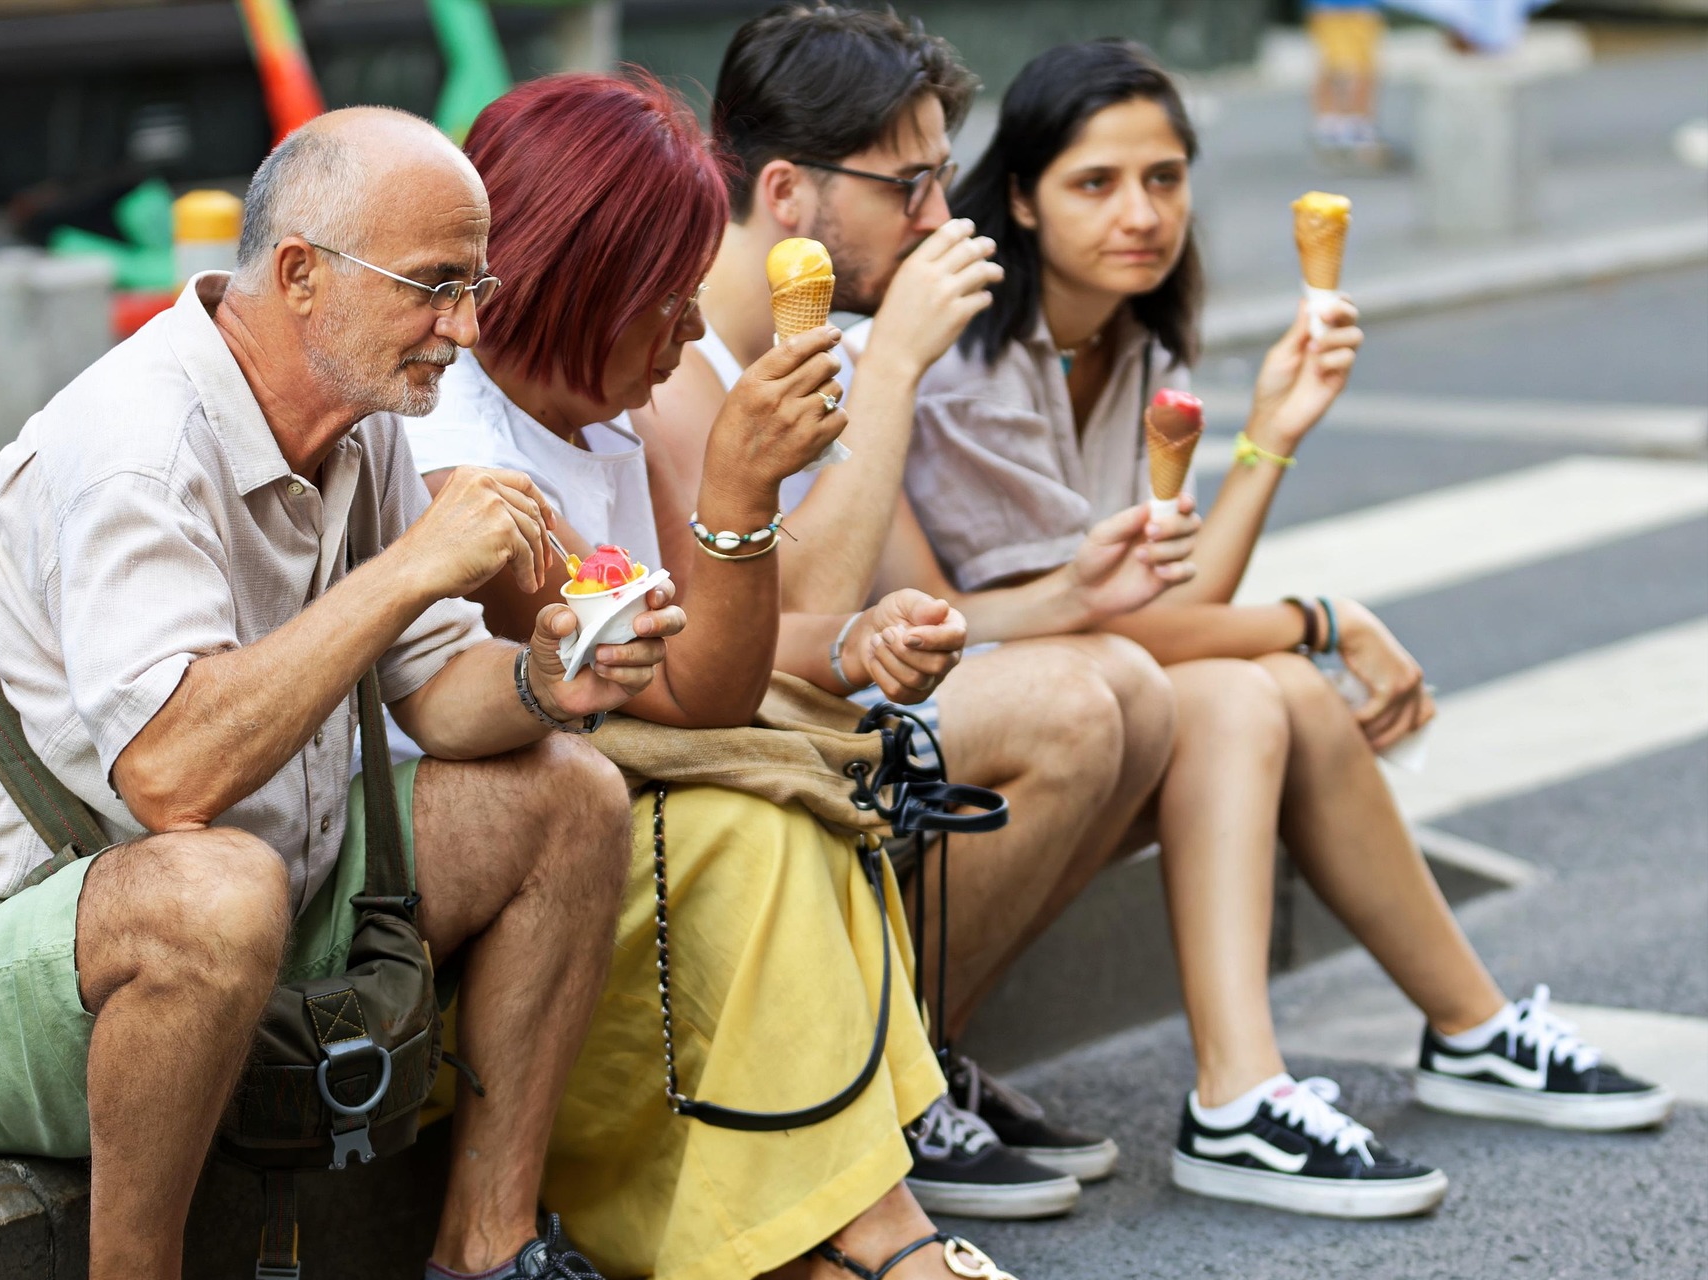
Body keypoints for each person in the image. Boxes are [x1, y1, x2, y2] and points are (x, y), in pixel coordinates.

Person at [0, 108, 674, 1279]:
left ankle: (489, 1247)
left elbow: (435, 693)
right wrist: (411, 567)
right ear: (300, 276)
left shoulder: (359, 411)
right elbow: (172, 776)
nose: (467, 328)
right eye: (436, 287)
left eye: (475, 285)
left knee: (570, 796)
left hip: (260, 911)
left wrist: (544, 676)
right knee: (220, 887)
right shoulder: (137, 446)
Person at [908, 39, 1675, 1218]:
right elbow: (1114, 627)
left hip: (1094, 707)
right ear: (1019, 195)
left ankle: (1406, 1045)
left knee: (1273, 687)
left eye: (1165, 178)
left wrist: (1273, 432)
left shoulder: (1128, 346)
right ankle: (1251, 1092)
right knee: (1258, 680)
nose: (1141, 212)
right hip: (977, 740)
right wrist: (1321, 617)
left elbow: (1161, 611)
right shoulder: (969, 369)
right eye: (1096, 182)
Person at [402, 71, 1033, 1280]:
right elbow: (660, 686)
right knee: (758, 823)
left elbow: (685, 657)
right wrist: (739, 497)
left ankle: (856, 1232)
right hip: (455, 873)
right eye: (664, 305)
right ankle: (855, 1241)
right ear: (573, 279)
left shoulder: (599, 424)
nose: (690, 339)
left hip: (570, 817)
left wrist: (833, 630)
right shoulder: (452, 446)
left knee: (781, 806)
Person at [641, 1, 1200, 1218]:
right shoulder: (676, 358)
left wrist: (1074, 590)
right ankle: (876, 1086)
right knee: (1071, 706)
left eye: (945, 178)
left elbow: (916, 602)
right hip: (701, 752)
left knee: (1138, 693)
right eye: (909, 186)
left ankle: (918, 1054)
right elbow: (778, 642)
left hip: (813, 719)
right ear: (786, 193)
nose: (942, 218)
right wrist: (893, 364)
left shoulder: (831, 345)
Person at [1305, 0, 1388, 166]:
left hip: (1361, 7)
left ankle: (1357, 124)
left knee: (1361, 65)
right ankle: (1331, 124)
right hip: (1329, 8)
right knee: (1334, 64)